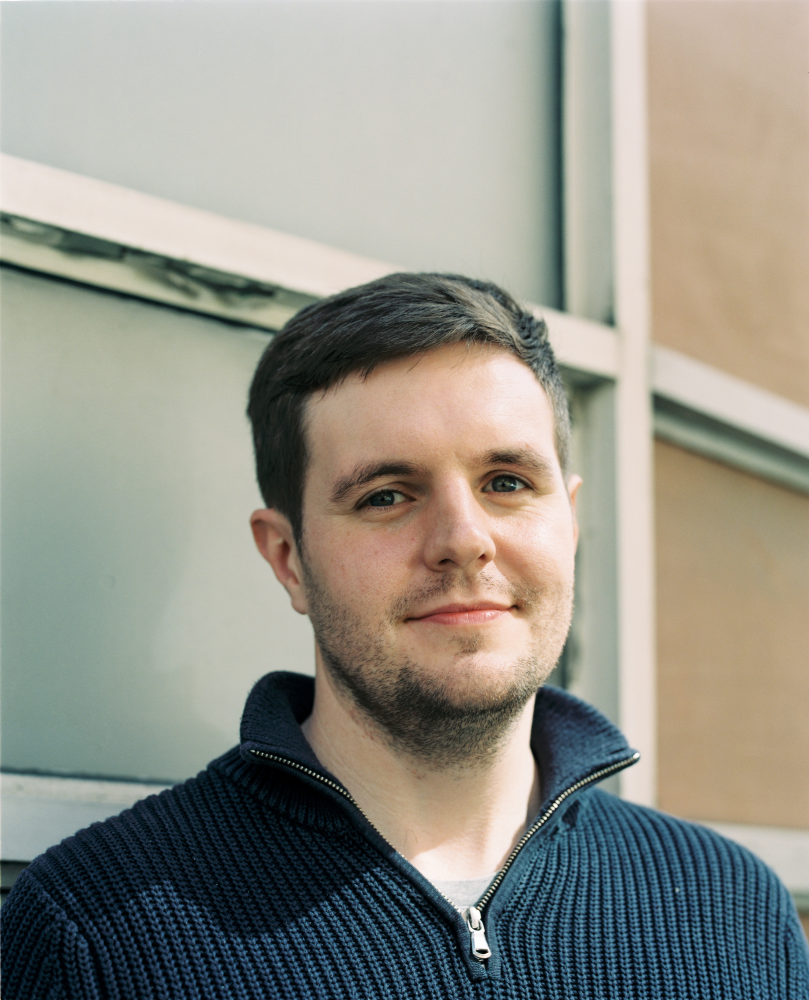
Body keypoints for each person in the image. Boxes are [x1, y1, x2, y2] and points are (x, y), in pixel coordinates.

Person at [3, 273, 807, 999]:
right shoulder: (99, 932)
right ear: (287, 559)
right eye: (387, 496)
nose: (463, 538)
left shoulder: (731, 908)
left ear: (568, 519)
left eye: (505, 483)